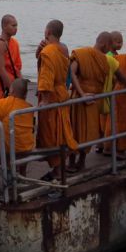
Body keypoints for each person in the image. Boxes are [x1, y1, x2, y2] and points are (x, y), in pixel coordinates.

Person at [69, 32, 126, 170]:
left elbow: (71, 72)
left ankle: (73, 162)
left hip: (80, 98)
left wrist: (81, 93)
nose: (110, 50)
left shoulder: (82, 53)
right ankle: (80, 161)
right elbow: (121, 77)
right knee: (87, 132)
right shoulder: (107, 60)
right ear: (104, 44)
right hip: (93, 99)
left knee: (75, 131)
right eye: (109, 46)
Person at [36, 19, 77, 174]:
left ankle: (57, 170)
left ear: (47, 33)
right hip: (62, 93)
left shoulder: (48, 52)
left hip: (52, 95)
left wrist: (45, 101)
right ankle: (60, 167)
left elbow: (46, 79)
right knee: (63, 131)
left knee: (53, 134)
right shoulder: (63, 49)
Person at [0, 77, 35, 172]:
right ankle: (22, 173)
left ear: (11, 90)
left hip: (8, 148)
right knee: (21, 138)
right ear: (25, 94)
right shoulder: (29, 107)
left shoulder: (2, 103)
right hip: (27, 148)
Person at [0, 14, 22, 109]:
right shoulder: (0, 44)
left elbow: (17, 67)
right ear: (4, 26)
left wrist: (20, 83)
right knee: (1, 114)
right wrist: (11, 88)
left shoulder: (14, 42)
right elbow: (1, 70)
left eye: (16, 25)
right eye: (13, 26)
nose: (16, 28)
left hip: (14, 80)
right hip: (2, 84)